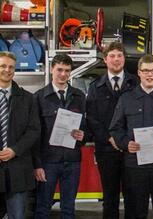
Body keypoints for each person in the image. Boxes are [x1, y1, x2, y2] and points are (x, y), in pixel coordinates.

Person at [109, 54, 153, 219]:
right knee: (135, 212)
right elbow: (115, 129)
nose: (150, 74)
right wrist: (126, 144)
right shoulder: (126, 98)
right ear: (138, 73)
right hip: (135, 166)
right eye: (146, 71)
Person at [86, 42, 138, 218]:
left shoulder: (135, 82)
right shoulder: (95, 86)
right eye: (112, 56)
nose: (116, 59)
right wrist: (110, 138)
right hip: (107, 149)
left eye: (120, 55)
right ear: (105, 59)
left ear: (124, 58)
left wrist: (125, 140)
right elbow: (92, 118)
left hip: (132, 148)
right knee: (110, 196)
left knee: (133, 196)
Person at [33, 54, 86, 219]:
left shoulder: (79, 96)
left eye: (67, 71)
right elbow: (34, 135)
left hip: (72, 161)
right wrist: (37, 165)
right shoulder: (39, 97)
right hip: (48, 162)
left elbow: (85, 126)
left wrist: (83, 135)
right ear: (52, 70)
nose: (63, 74)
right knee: (42, 207)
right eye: (59, 70)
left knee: (69, 208)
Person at [0, 51, 40, 219]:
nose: (7, 70)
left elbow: (34, 130)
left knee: (17, 215)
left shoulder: (28, 99)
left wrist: (15, 150)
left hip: (18, 169)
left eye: (11, 67)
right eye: (3, 66)